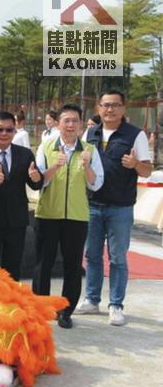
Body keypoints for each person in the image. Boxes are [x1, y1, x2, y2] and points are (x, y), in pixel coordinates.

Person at [80, 90, 153, 326]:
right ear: (98, 108)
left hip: (120, 207)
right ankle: (91, 300)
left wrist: (134, 164)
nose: (109, 110)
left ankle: (116, 305)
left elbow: (147, 171)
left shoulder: (135, 135)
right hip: (92, 204)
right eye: (105, 105)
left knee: (118, 258)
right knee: (91, 255)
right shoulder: (90, 133)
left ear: (123, 108)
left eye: (115, 105)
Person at [33, 104, 104, 329]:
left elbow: (97, 184)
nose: (71, 125)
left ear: (81, 124)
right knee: (43, 263)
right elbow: (38, 182)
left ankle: (66, 310)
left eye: (75, 120)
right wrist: (55, 166)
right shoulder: (45, 147)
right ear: (58, 123)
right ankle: (42, 308)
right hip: (48, 214)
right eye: (66, 120)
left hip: (76, 216)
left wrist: (86, 165)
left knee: (72, 266)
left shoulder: (90, 151)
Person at [0, 111, 43, 281]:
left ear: (15, 131)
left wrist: (37, 178)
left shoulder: (24, 154)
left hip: (16, 221)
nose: (4, 134)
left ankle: (11, 304)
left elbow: (35, 182)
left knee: (13, 267)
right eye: (0, 130)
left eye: (9, 130)